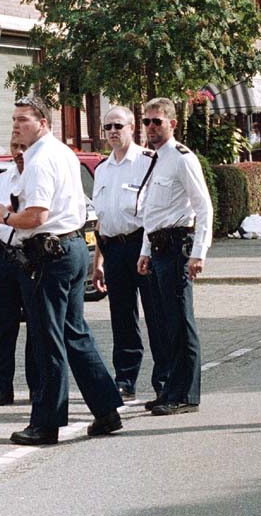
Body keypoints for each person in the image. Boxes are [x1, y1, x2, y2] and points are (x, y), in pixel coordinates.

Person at [0, 96, 123, 446]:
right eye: (14, 119)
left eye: (24, 119)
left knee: (47, 339)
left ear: (43, 123)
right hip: (71, 248)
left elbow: (36, 215)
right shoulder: (64, 152)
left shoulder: (39, 160)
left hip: (48, 254)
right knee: (74, 332)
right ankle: (107, 409)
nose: (17, 125)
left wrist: (5, 217)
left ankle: (47, 423)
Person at [137, 97, 213, 416]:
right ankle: (170, 388)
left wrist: (199, 253)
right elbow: (151, 213)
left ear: (172, 123)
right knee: (166, 323)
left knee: (181, 323)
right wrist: (144, 251)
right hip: (157, 248)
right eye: (147, 122)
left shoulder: (183, 159)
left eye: (157, 121)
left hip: (178, 247)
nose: (151, 127)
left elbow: (203, 207)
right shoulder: (155, 159)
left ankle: (185, 394)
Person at [91, 106, 170, 403]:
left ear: (132, 127)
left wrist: (149, 250)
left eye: (118, 126)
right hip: (113, 248)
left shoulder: (149, 162)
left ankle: (163, 378)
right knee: (121, 317)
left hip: (142, 245)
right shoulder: (101, 169)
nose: (113, 132)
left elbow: (156, 210)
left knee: (156, 315)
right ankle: (125, 379)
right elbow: (102, 219)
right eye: (108, 127)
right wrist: (97, 261)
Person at [0, 136, 39, 407]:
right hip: (4, 257)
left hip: (33, 257)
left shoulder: (40, 178)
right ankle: (2, 388)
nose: (20, 152)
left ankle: (37, 388)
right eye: (15, 147)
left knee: (37, 327)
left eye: (24, 147)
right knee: (4, 326)